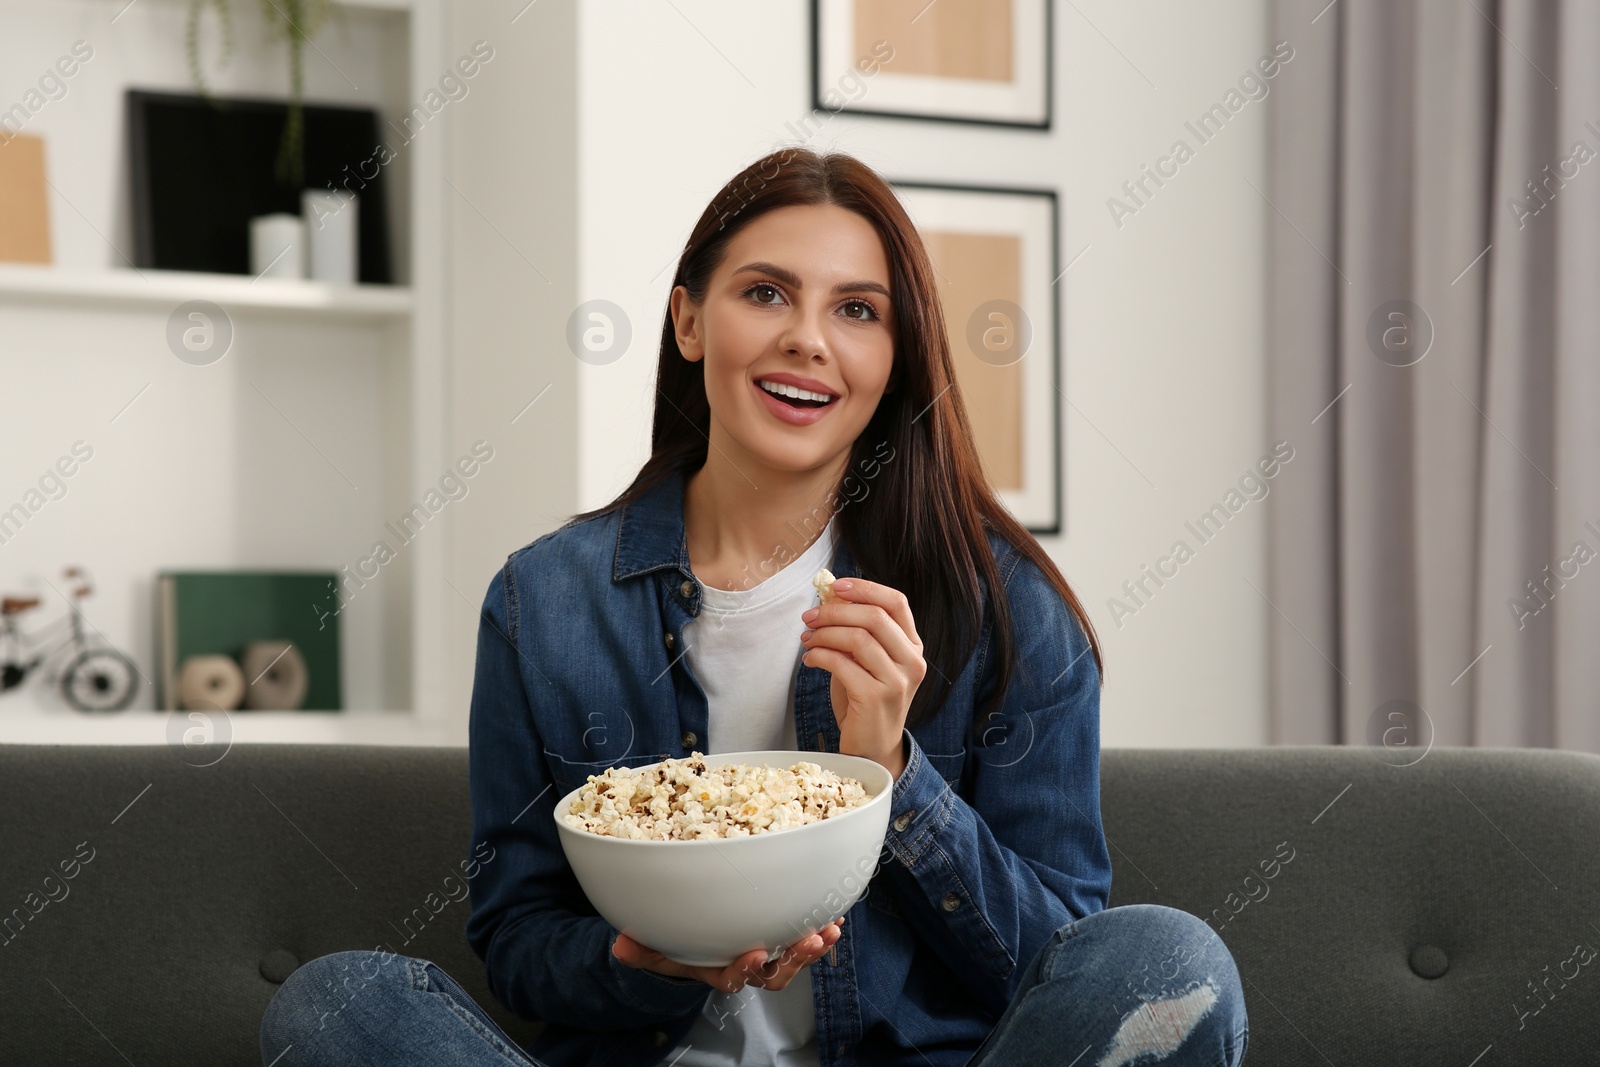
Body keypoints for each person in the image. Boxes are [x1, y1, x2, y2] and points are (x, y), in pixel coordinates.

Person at [260, 147, 1248, 1067]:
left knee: (1166, 955)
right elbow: (518, 945)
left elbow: (1059, 963)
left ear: (898, 356)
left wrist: (891, 774)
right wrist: (639, 958)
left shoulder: (1005, 604)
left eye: (858, 310)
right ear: (690, 321)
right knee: (334, 1004)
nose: (807, 339)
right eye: (765, 292)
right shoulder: (543, 600)